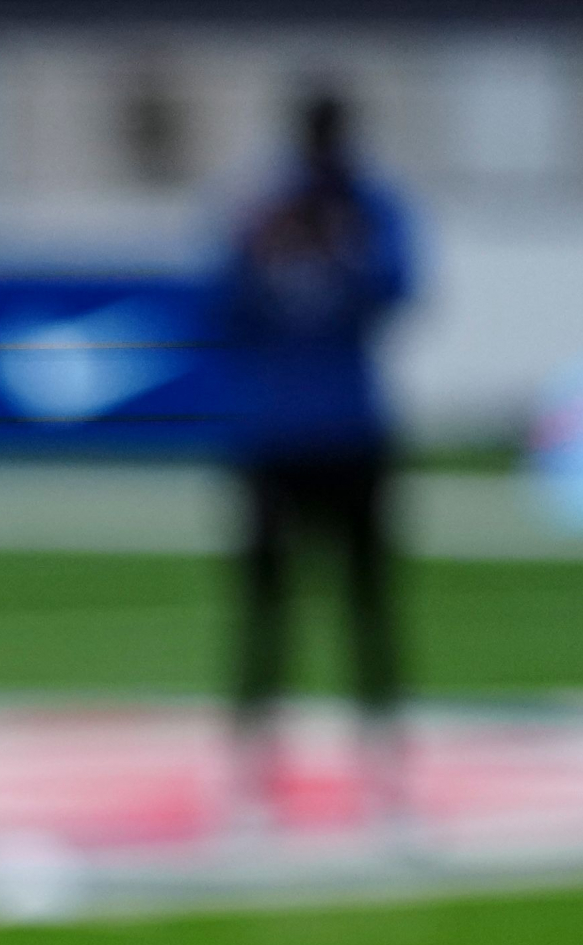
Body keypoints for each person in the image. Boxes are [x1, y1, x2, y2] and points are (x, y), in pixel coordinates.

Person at [212, 84, 416, 823]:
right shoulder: (262, 205)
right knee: (265, 610)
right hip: (276, 434)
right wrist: (266, 245)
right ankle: (251, 768)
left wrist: (343, 247)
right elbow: (218, 303)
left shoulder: (371, 206)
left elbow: (402, 289)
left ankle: (385, 763)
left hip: (352, 432)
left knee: (369, 609)